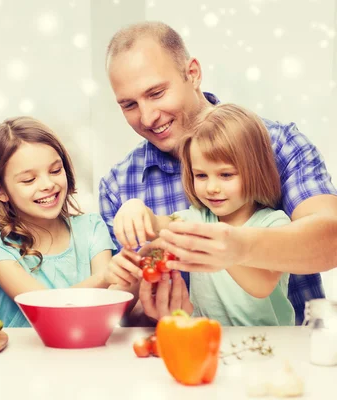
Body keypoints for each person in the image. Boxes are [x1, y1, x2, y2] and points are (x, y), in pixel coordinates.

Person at [100, 21, 337, 325]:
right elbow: (118, 310)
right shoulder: (118, 185)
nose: (147, 117)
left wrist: (239, 246)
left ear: (193, 73)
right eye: (129, 105)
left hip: (291, 353)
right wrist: (146, 310)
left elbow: (331, 240)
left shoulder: (277, 143)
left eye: (157, 93)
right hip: (188, 351)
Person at [108, 103, 295, 326]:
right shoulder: (196, 219)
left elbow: (262, 285)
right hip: (206, 340)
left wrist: (219, 246)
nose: (212, 187)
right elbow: (157, 224)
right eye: (201, 175)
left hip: (265, 344)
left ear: (256, 170)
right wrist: (134, 207)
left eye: (226, 175)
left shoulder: (274, 224)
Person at [0, 116, 138, 327]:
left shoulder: (92, 228)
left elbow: (110, 307)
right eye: (29, 180)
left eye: (55, 171)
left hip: (89, 352)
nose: (48, 184)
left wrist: (137, 274)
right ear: (1, 191)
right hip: (24, 358)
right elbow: (43, 308)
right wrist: (104, 278)